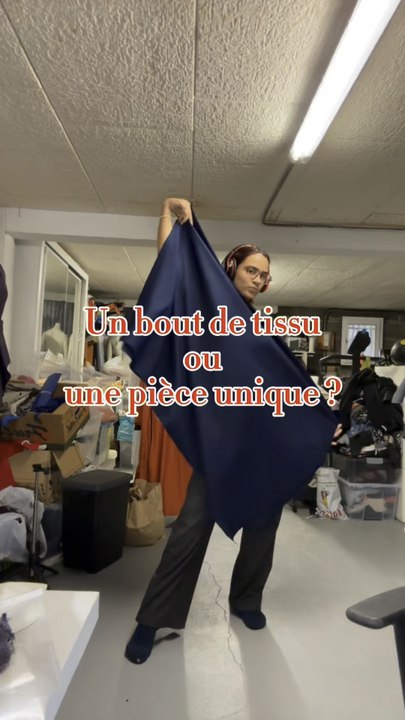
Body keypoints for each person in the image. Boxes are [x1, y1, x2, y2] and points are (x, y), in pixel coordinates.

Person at [125, 197, 281, 665]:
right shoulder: (209, 309)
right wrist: (168, 217)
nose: (259, 279)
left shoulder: (264, 328)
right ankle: (152, 619)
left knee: (264, 523)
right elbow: (172, 270)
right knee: (191, 528)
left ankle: (247, 599)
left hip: (259, 444)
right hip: (219, 447)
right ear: (231, 268)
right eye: (252, 270)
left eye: (264, 275)